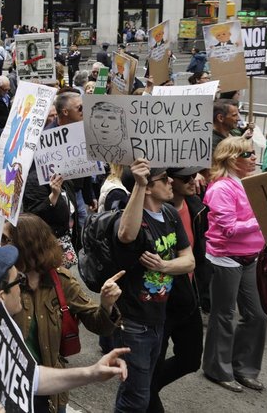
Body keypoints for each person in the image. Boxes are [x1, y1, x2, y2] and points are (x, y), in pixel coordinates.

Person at [0, 246, 131, 411]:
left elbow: (28, 377)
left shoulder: (1, 325)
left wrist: (91, 372)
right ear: (1, 297)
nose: (23, 285)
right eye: (18, 281)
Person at [7, 214, 123, 413]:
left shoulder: (60, 280)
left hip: (51, 389)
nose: (1, 247)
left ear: (27, 245)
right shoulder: (5, 281)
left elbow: (99, 325)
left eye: (7, 240)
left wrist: (106, 305)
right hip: (12, 384)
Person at [112, 158, 195, 412]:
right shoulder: (128, 217)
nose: (172, 181)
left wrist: (164, 267)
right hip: (133, 322)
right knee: (136, 397)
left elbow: (189, 260)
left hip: (159, 316)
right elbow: (126, 234)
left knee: (140, 389)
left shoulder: (169, 213)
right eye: (163, 179)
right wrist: (139, 184)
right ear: (147, 187)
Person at [202, 137, 267, 393]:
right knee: (224, 315)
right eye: (248, 154)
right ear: (232, 158)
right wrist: (261, 219)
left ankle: (244, 369)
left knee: (257, 316)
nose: (254, 158)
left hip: (251, 257)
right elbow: (229, 230)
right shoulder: (221, 188)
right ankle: (217, 369)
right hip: (226, 258)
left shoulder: (248, 183)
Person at [148, 167, 207, 413]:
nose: (193, 181)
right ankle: (146, 391)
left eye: (194, 176)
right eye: (187, 178)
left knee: (191, 359)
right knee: (151, 366)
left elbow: (194, 258)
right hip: (159, 301)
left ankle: (147, 387)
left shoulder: (196, 207)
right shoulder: (153, 213)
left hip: (187, 296)